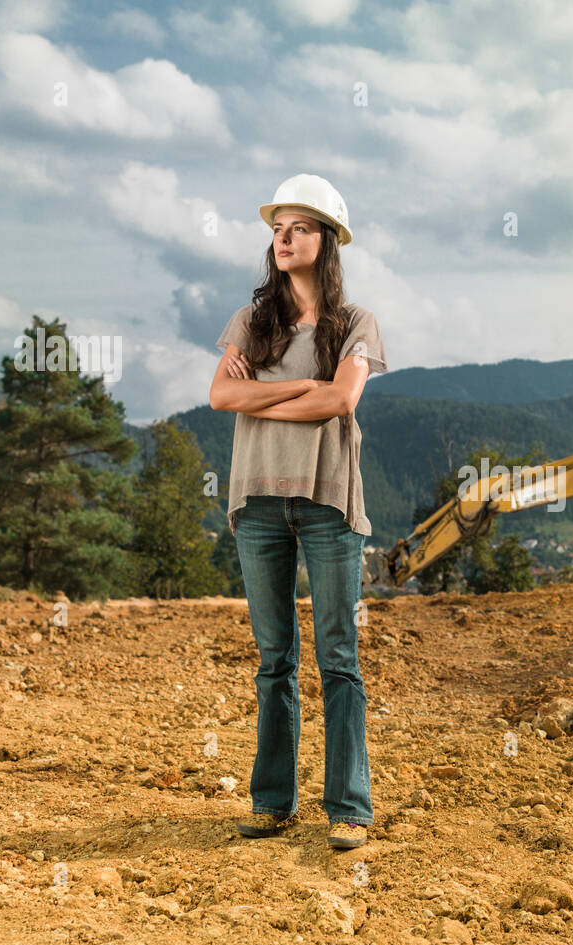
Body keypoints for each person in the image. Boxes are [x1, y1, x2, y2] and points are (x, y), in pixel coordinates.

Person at [208, 174, 388, 850]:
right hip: (256, 501)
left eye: (300, 227)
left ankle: (349, 807)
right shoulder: (250, 322)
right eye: (278, 228)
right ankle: (273, 801)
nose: (284, 238)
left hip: (328, 502)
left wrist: (280, 391)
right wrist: (306, 385)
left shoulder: (356, 323)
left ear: (328, 241)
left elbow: (341, 401)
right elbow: (221, 396)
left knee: (339, 656)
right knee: (274, 657)